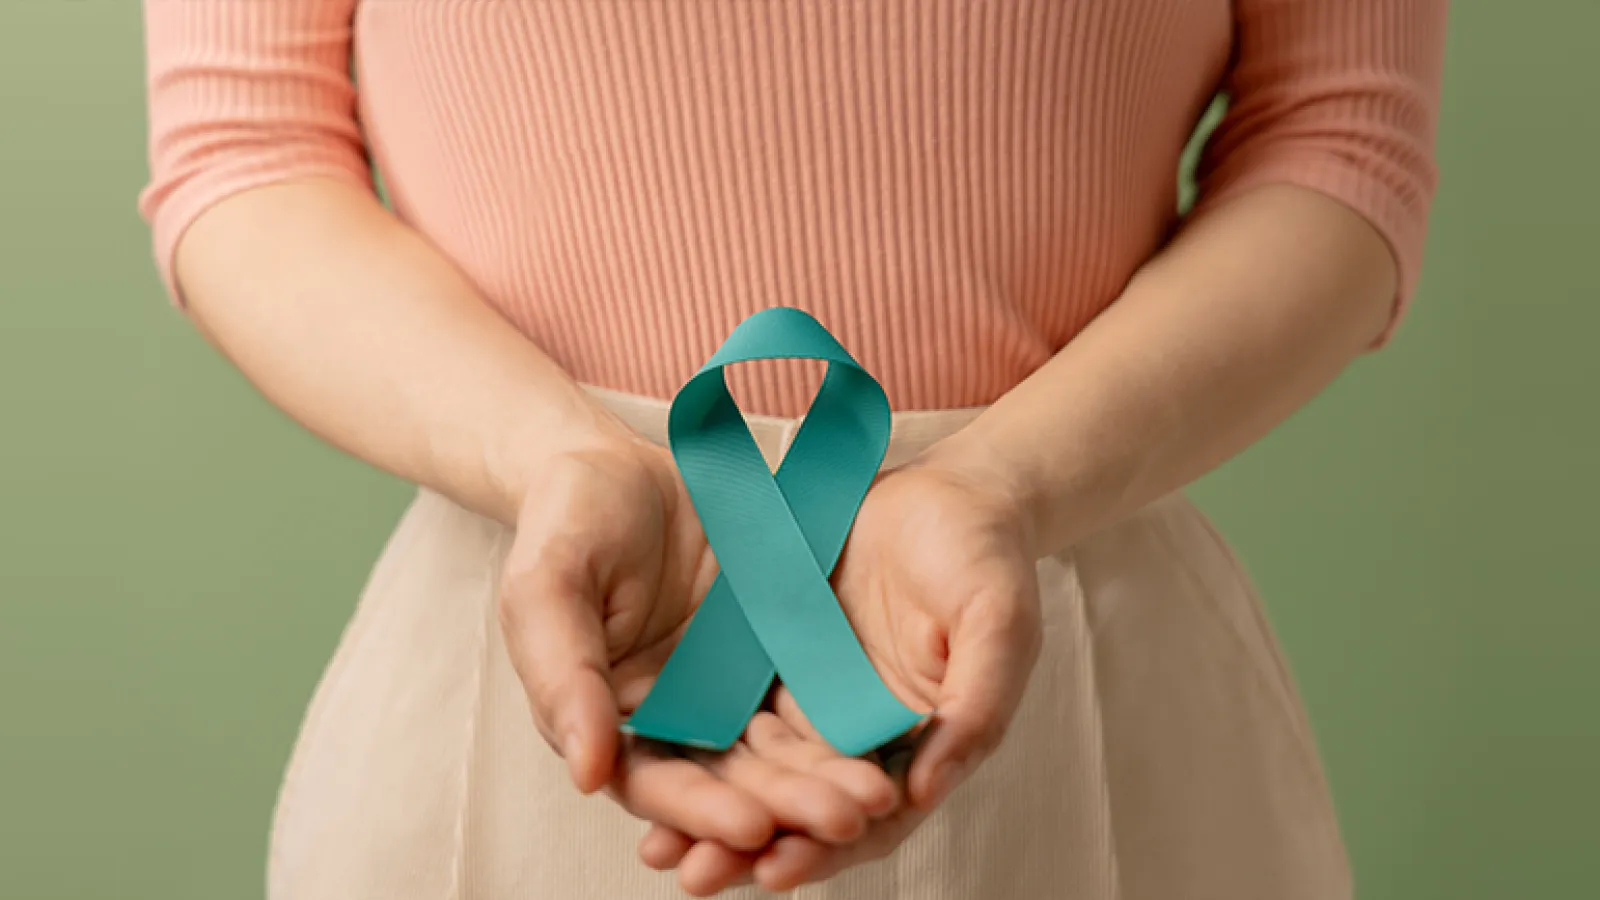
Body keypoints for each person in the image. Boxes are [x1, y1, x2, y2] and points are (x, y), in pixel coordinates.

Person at [138, 1, 1447, 897]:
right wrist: (551, 461)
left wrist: (1006, 484)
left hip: (1066, 638)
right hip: (538, 624)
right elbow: (243, 142)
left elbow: (1338, 132)